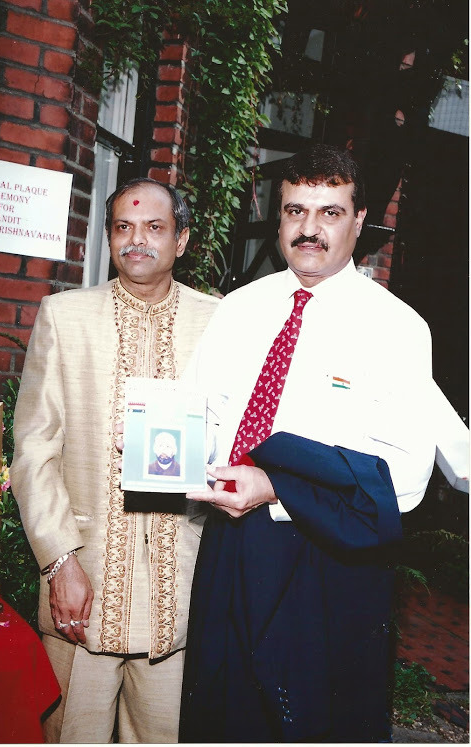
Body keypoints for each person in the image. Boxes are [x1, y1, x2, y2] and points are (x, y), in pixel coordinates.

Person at [179, 144, 437, 743]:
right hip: (231, 545)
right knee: (220, 712)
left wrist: (279, 485)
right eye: (295, 211)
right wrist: (154, 438)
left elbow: (405, 479)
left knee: (312, 721)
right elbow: (203, 413)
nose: (310, 229)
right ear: (279, 220)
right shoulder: (238, 309)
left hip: (327, 559)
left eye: (329, 212)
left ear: (359, 221)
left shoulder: (397, 328)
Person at [11, 177, 219, 743]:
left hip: (179, 596)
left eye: (155, 227)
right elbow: (33, 450)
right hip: (84, 588)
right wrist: (59, 561)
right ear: (107, 238)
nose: (137, 241)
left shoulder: (219, 323)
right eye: (123, 228)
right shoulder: (64, 317)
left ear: (181, 240)